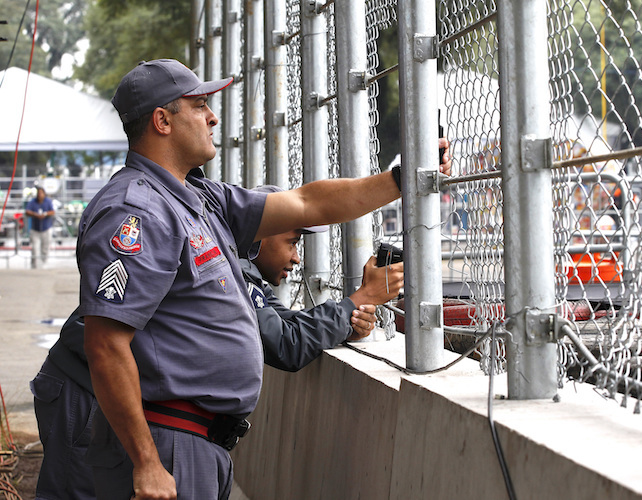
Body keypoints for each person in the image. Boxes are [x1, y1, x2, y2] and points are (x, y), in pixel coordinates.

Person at [76, 59, 449, 499]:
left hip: (199, 444)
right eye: (198, 106)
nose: (213, 117)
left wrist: (400, 179)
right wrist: (147, 463)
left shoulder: (198, 195)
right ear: (162, 120)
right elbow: (105, 344)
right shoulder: (135, 211)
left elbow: (308, 203)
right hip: (167, 443)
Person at [30, 220, 403, 500]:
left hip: (105, 393)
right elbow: (286, 344)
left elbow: (281, 324)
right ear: (257, 239)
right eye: (290, 241)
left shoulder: (244, 275)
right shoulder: (226, 269)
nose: (295, 256)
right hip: (87, 391)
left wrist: (345, 318)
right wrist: (359, 299)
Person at [25, 186, 55, 269]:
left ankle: (44, 264)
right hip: (35, 229)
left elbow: (52, 211)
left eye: (41, 193)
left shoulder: (48, 202)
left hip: (46, 228)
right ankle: (34, 265)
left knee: (45, 248)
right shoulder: (32, 202)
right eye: (38, 193)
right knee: (35, 248)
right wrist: (35, 214)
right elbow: (27, 211)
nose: (40, 195)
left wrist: (45, 214)